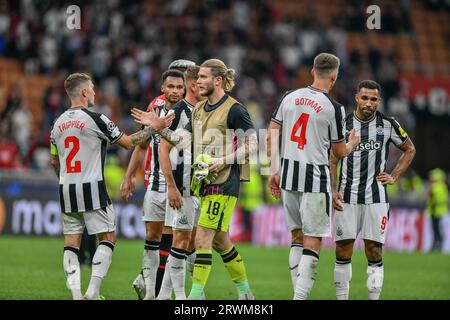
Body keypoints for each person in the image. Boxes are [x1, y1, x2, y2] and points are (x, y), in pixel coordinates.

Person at [132, 58, 258, 300]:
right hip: (203, 184)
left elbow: (253, 144)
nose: (196, 82)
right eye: (197, 77)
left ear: (218, 81)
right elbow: (182, 141)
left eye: (202, 77)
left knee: (201, 237)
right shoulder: (199, 110)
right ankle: (245, 293)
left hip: (224, 182)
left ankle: (194, 298)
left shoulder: (235, 109)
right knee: (221, 242)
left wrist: (224, 160)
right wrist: (158, 127)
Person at [50, 73, 174, 300]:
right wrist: (154, 127)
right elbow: (128, 143)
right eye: (93, 89)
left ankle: (77, 296)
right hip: (92, 187)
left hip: (66, 189)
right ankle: (93, 292)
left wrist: (64, 178)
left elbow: (54, 161)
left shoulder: (57, 125)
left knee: (71, 245)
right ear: (84, 92)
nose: (95, 93)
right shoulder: (96, 118)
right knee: (108, 238)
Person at [266, 53, 359, 300]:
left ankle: (296, 294)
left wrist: (273, 170)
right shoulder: (334, 108)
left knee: (296, 236)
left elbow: (271, 134)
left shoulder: (288, 97)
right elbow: (338, 153)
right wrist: (351, 144)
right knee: (312, 241)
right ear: (334, 76)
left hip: (288, 176)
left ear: (312, 71)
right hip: (315, 180)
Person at [330, 80, 416, 300]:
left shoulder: (388, 124)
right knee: (343, 249)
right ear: (357, 98)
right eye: (365, 98)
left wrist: (395, 175)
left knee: (374, 250)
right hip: (346, 196)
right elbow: (332, 159)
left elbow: (409, 149)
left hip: (376, 198)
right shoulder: (343, 123)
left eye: (373, 99)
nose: (368, 103)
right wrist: (333, 190)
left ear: (379, 101)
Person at [121, 68, 186, 300]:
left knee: (174, 241)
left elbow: (184, 144)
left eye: (179, 87)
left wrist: (159, 126)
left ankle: (166, 294)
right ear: (163, 88)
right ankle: (150, 292)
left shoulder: (189, 111)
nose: (175, 91)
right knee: (151, 236)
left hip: (178, 187)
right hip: (154, 183)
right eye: (171, 87)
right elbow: (141, 144)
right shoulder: (154, 107)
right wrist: (129, 175)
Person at [157, 65, 204, 299]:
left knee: (191, 243)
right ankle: (184, 298)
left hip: (199, 189)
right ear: (194, 85)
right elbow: (163, 150)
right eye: (203, 80)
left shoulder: (204, 111)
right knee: (181, 241)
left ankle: (165, 296)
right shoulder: (177, 112)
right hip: (182, 188)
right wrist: (172, 187)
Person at [426, 168, 448, 251]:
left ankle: (438, 245)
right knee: (435, 230)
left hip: (439, 212)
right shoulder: (441, 186)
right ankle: (436, 245)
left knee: (438, 229)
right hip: (434, 211)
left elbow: (440, 199)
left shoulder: (439, 186)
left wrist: (433, 197)